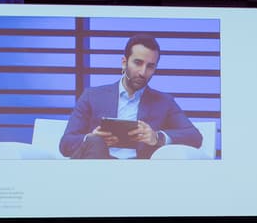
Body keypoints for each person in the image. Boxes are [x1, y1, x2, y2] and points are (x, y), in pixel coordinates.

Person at [60, 34, 203, 159]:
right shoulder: (92, 96)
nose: (143, 72)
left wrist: (157, 137)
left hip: (140, 172)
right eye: (138, 63)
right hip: (97, 165)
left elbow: (195, 137)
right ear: (124, 62)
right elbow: (66, 144)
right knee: (95, 142)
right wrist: (91, 138)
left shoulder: (164, 102)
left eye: (150, 66)